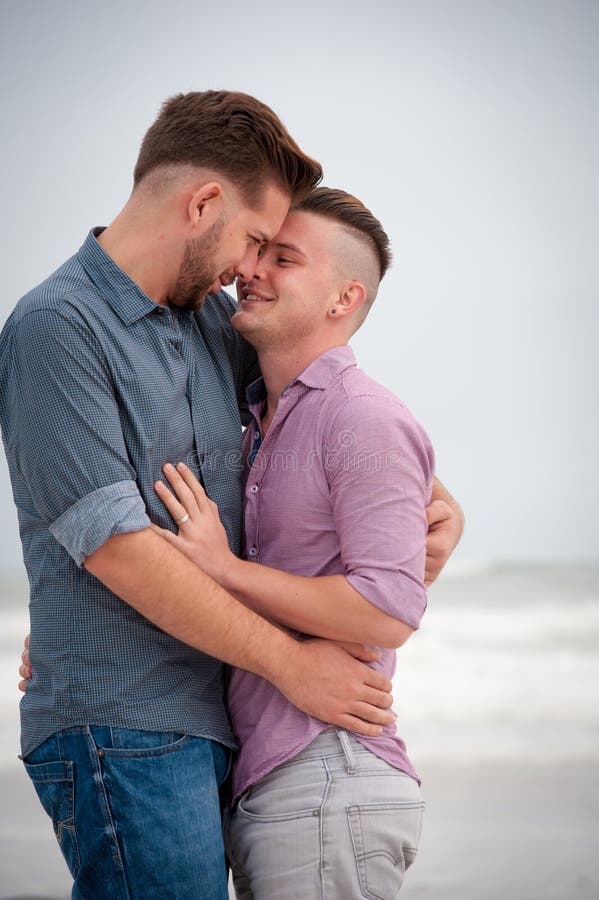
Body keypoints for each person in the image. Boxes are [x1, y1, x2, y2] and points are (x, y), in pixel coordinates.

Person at [9, 93, 463, 897]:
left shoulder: (216, 324)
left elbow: (337, 423)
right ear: (203, 203)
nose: (249, 267)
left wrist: (438, 504)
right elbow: (121, 550)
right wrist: (294, 668)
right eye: (255, 240)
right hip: (126, 718)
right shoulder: (57, 326)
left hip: (223, 723)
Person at [149, 187, 458, 898]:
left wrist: (224, 570)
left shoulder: (364, 416)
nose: (251, 269)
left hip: (329, 774)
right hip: (280, 779)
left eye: (282, 258)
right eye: (256, 250)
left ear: (341, 298)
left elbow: (386, 609)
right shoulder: (262, 421)